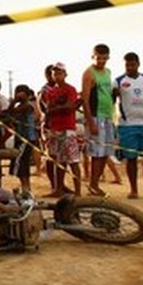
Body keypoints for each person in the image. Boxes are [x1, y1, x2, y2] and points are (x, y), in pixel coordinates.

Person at [112, 52, 143, 199]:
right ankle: (133, 189)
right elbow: (112, 99)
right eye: (127, 65)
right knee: (131, 158)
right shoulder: (118, 81)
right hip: (127, 125)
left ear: (138, 64)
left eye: (132, 64)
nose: (130, 67)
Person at [80, 43, 122, 195]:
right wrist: (90, 122)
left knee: (105, 152)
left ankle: (95, 183)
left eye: (104, 58)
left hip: (108, 115)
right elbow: (84, 99)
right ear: (93, 56)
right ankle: (93, 184)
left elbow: (108, 92)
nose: (101, 61)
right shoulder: (88, 73)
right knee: (96, 153)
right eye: (99, 58)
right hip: (96, 116)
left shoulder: (108, 72)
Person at [41, 63, 82, 197]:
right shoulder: (50, 92)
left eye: (59, 73)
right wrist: (60, 105)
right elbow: (48, 109)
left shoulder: (70, 89)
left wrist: (56, 107)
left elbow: (70, 107)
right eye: (54, 73)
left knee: (73, 160)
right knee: (57, 160)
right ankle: (58, 189)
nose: (57, 76)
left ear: (65, 74)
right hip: (54, 128)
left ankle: (78, 191)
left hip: (68, 128)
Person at [6, 84, 38, 192]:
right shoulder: (20, 107)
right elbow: (9, 112)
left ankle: (26, 187)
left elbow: (12, 111)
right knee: (19, 163)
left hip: (26, 139)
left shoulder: (27, 106)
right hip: (20, 138)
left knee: (22, 163)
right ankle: (26, 186)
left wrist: (14, 100)